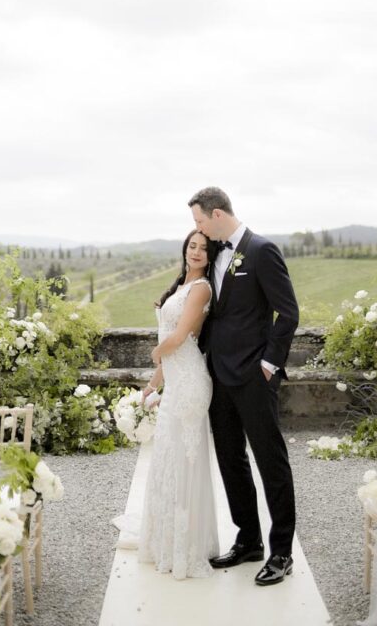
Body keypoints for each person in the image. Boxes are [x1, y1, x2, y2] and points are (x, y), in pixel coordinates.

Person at [189, 186, 299, 587]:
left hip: (254, 376)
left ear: (217, 215)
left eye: (200, 220)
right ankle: (248, 540)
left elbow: (288, 312)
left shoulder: (262, 251)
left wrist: (268, 365)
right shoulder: (216, 252)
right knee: (230, 460)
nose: (198, 229)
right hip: (218, 375)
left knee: (271, 461)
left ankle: (281, 552)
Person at [136, 229, 220, 579]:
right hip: (175, 379)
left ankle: (185, 549)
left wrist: (156, 353)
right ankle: (165, 543)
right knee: (166, 460)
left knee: (183, 463)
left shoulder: (201, 288)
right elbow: (171, 346)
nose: (196, 252)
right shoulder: (180, 286)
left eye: (204, 248)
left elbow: (181, 336)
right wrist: (152, 384)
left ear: (210, 256)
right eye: (192, 246)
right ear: (185, 249)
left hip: (190, 384)